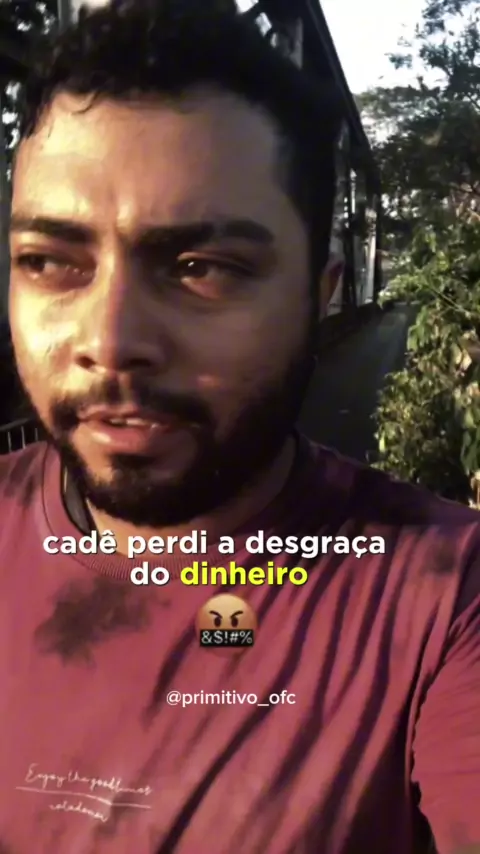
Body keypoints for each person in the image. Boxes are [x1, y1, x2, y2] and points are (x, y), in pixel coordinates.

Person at [1, 1, 479, 852]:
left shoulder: (446, 601)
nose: (110, 340)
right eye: (50, 262)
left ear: (319, 296)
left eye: (204, 268)